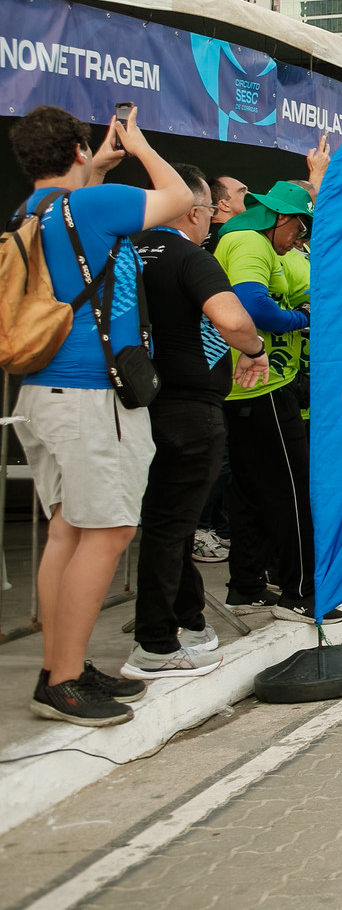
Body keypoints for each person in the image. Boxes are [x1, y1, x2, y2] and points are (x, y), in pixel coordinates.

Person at [8, 107, 191, 724]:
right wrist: (137, 146)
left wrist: (97, 166)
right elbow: (179, 196)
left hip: (44, 394)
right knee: (109, 531)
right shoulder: (91, 206)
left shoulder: (30, 213)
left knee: (67, 531)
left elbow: (76, 231)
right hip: (91, 396)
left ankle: (60, 668)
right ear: (80, 149)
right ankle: (63, 680)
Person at [124, 164, 269, 681]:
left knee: (169, 521)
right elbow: (231, 319)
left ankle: (190, 623)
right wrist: (254, 349)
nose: (210, 221)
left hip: (134, 403)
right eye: (209, 211)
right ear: (192, 212)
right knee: (170, 526)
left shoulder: (125, 252)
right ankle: (155, 644)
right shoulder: (189, 256)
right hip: (187, 406)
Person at [214, 178, 329, 624]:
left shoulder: (261, 245)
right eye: (299, 229)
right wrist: (300, 319)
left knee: (249, 492)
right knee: (292, 491)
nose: (299, 239)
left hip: (252, 387)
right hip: (259, 388)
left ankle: (246, 584)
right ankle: (300, 595)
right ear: (280, 218)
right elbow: (252, 307)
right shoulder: (248, 242)